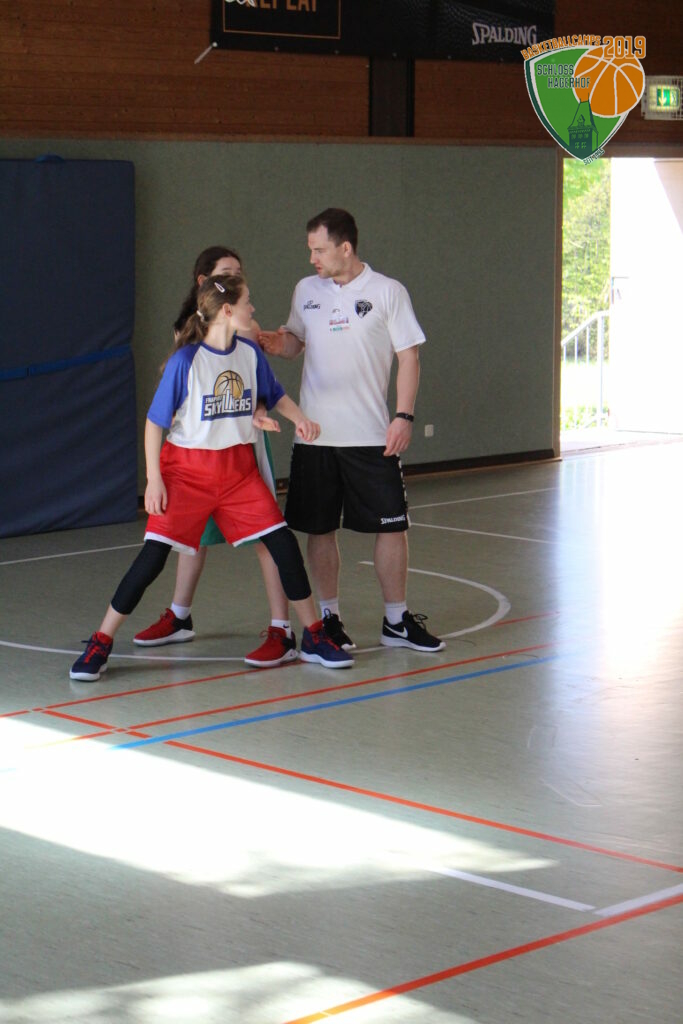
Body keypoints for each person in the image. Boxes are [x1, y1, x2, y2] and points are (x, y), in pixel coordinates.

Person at [70, 273, 354, 681]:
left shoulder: (249, 353)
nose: (253, 308)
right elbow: (154, 423)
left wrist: (300, 419)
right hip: (186, 474)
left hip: (238, 472)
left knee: (283, 543)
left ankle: (313, 634)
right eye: (247, 302)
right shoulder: (186, 361)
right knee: (152, 558)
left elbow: (273, 395)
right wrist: (154, 479)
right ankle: (101, 640)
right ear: (227, 310)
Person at [259, 208, 445, 654]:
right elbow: (295, 342)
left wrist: (403, 416)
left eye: (319, 250)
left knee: (392, 527)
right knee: (320, 529)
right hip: (315, 437)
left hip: (371, 437)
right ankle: (329, 619)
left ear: (345, 247)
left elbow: (409, 356)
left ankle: (396, 621)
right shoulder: (306, 290)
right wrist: (273, 341)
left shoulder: (387, 292)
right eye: (310, 250)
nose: (312, 259)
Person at [133, 246, 296, 669]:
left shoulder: (246, 327)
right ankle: (180, 615)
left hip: (240, 448)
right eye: (227, 272)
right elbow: (184, 384)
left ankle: (282, 626)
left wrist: (260, 412)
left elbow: (259, 385)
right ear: (205, 282)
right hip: (197, 455)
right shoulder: (188, 329)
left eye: (239, 271)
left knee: (268, 536)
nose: (236, 277)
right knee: (191, 537)